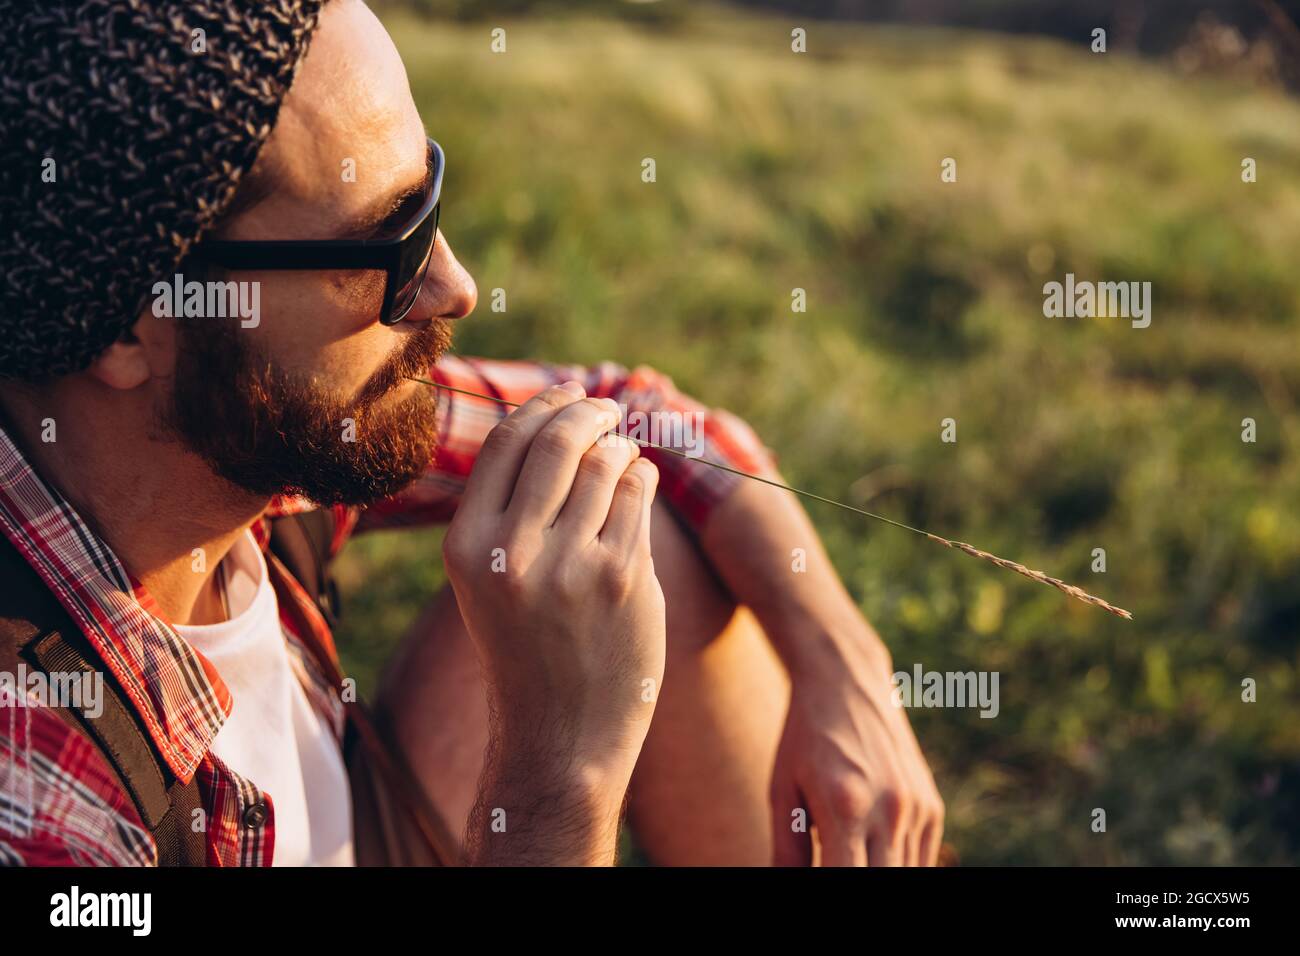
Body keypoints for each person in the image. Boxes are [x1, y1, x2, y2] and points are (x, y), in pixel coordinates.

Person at [0, 0, 942, 866]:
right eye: (390, 244)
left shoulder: (241, 433)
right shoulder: (45, 796)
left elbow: (638, 414)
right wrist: (558, 772)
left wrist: (848, 670)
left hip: (365, 822)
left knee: (602, 498)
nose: (456, 287)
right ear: (135, 323)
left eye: (430, 198)